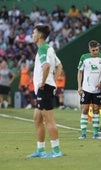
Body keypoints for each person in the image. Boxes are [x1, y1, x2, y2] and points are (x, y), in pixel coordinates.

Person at [27, 24, 63, 158]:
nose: (32, 35)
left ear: (40, 35)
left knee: (49, 120)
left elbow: (47, 66)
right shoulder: (49, 48)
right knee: (37, 118)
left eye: (34, 32)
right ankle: (40, 150)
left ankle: (56, 150)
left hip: (44, 88)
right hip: (46, 87)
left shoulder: (43, 48)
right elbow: (60, 66)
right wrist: (53, 80)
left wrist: (44, 81)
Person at [77, 40, 101, 139]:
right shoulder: (84, 57)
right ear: (89, 49)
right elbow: (80, 72)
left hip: (97, 89)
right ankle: (83, 133)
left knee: (96, 110)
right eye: (93, 50)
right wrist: (79, 86)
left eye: (97, 50)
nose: (95, 52)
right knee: (85, 109)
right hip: (86, 88)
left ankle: (96, 133)